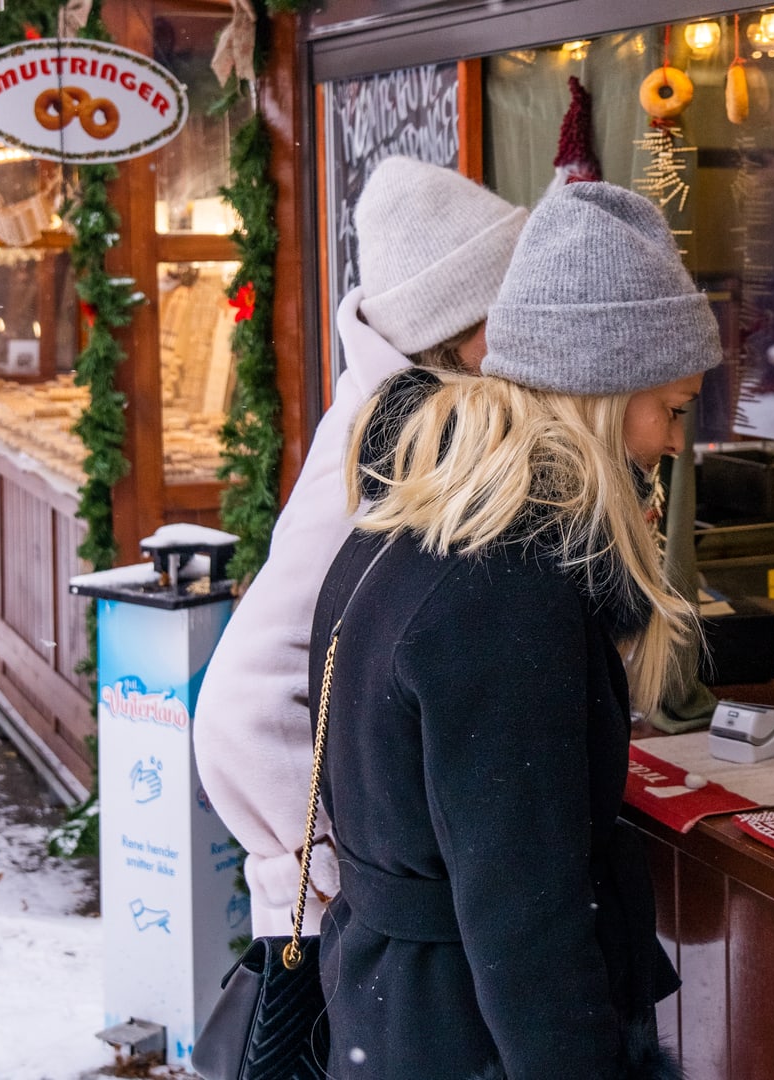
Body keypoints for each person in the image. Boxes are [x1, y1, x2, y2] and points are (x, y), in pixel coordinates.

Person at [311, 180, 714, 1079]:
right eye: (672, 409)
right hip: (472, 1036)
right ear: (601, 395)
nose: (677, 443)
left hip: (401, 1006)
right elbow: (523, 912)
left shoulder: (417, 521)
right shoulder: (507, 583)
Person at [193, 159, 526, 936]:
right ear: (480, 330)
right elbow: (239, 701)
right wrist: (331, 880)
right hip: (353, 926)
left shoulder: (433, 426)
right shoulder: (389, 448)